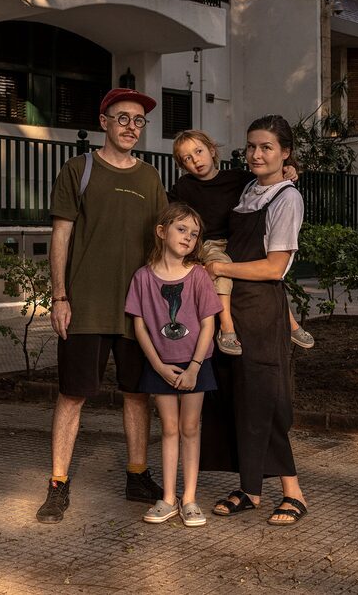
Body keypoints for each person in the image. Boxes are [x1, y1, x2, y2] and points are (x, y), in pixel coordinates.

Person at [37, 88, 168, 524]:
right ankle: (58, 484)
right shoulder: (80, 169)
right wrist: (59, 296)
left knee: (137, 394)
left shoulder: (150, 178)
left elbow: (166, 241)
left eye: (139, 121)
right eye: (123, 118)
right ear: (104, 122)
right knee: (73, 395)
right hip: (85, 307)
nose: (131, 126)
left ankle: (136, 475)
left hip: (137, 311)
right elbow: (61, 237)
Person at [200, 114, 310, 526]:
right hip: (232, 307)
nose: (256, 154)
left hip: (262, 309)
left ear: (285, 153)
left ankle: (293, 492)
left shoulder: (287, 198)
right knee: (236, 397)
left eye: (266, 147)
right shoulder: (248, 189)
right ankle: (250, 488)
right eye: (251, 146)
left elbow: (274, 267)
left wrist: (222, 270)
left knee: (265, 399)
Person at [168, 130, 314, 355]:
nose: (195, 160)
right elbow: (167, 212)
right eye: (187, 158)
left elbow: (266, 180)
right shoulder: (184, 187)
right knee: (222, 270)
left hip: (236, 238)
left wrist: (289, 169)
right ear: (181, 164)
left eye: (198, 151)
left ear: (212, 150)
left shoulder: (237, 178)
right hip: (210, 245)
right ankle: (227, 328)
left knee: (262, 273)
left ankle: (291, 323)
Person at [125, 204, 223, 527]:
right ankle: (168, 498)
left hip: (196, 363)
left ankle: (190, 498)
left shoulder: (198, 276)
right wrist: (159, 367)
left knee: (190, 428)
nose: (188, 238)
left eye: (194, 234)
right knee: (168, 428)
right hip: (160, 365)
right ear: (161, 231)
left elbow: (209, 324)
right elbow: (140, 327)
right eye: (182, 229)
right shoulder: (142, 277)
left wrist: (195, 366)